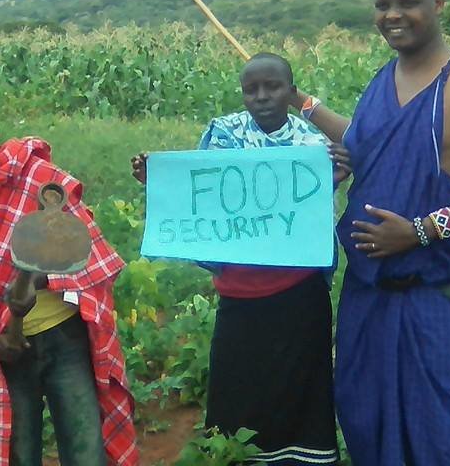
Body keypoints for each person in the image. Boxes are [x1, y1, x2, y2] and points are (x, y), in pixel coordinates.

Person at [290, 0, 450, 465]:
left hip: (441, 299)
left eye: (407, 2)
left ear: (437, 4)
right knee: (370, 425)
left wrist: (422, 230)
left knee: (448, 438)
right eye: (382, 5)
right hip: (370, 297)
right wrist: (301, 102)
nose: (392, 15)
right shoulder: (385, 77)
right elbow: (366, 142)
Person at [131, 53, 350, 466]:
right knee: (237, 381)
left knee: (299, 383)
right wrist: (159, 178)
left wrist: (335, 176)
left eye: (273, 87)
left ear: (291, 91)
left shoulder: (313, 145)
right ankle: (235, 455)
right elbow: (201, 195)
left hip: (299, 294)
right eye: (252, 89)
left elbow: (313, 208)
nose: (262, 96)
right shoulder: (224, 134)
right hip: (239, 293)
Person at [0, 95, 139, 466]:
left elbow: (82, 249)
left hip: (64, 336)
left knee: (84, 447)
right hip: (5, 348)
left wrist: (40, 276)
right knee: (18, 451)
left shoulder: (37, 178)